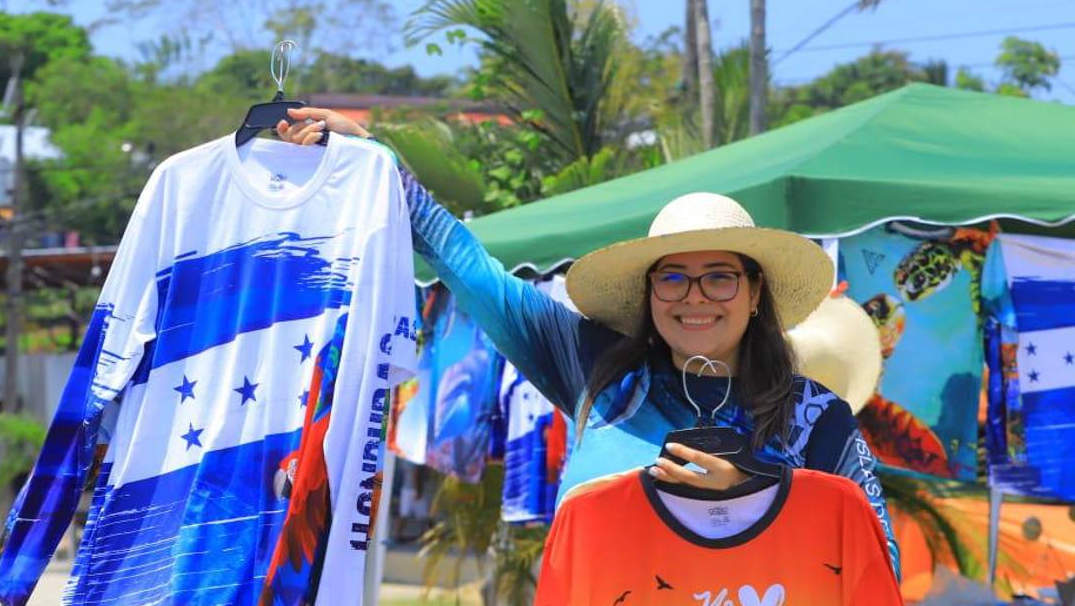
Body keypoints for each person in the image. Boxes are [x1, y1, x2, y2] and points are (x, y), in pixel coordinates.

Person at [271, 108, 900, 575]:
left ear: (756, 292)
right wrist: (376, 162)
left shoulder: (816, 418)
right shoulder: (598, 371)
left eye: (720, 277)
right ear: (650, 292)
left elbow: (880, 562)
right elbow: (469, 268)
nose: (694, 296)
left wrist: (759, 496)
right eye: (673, 276)